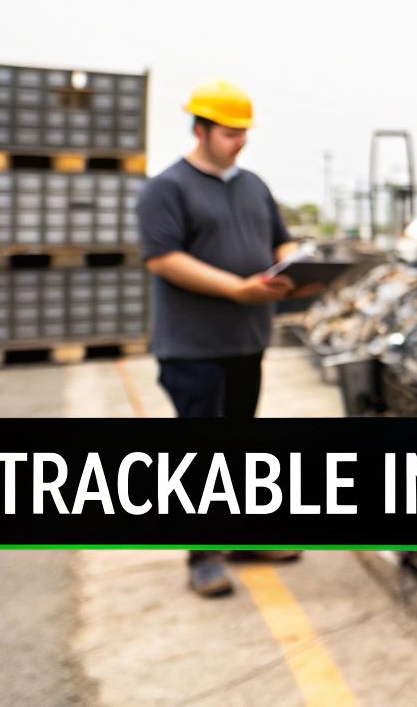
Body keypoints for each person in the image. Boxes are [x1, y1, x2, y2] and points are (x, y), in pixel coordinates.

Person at [136, 79, 312, 597]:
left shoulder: (253, 185)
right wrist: (236, 289)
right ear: (201, 129)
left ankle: (244, 538)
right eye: (230, 133)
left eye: (243, 133)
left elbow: (279, 237)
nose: (240, 142)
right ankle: (203, 558)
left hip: (245, 340)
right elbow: (163, 258)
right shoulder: (166, 189)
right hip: (192, 345)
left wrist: (298, 260)